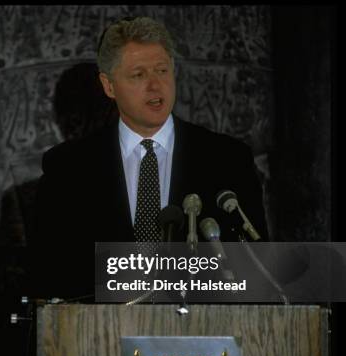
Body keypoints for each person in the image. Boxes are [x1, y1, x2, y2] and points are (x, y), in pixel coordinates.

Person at [29, 16, 268, 301]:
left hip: (202, 339)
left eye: (162, 70)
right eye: (139, 75)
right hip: (101, 338)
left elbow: (256, 271)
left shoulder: (227, 159)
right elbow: (49, 280)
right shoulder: (67, 169)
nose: (156, 86)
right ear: (109, 86)